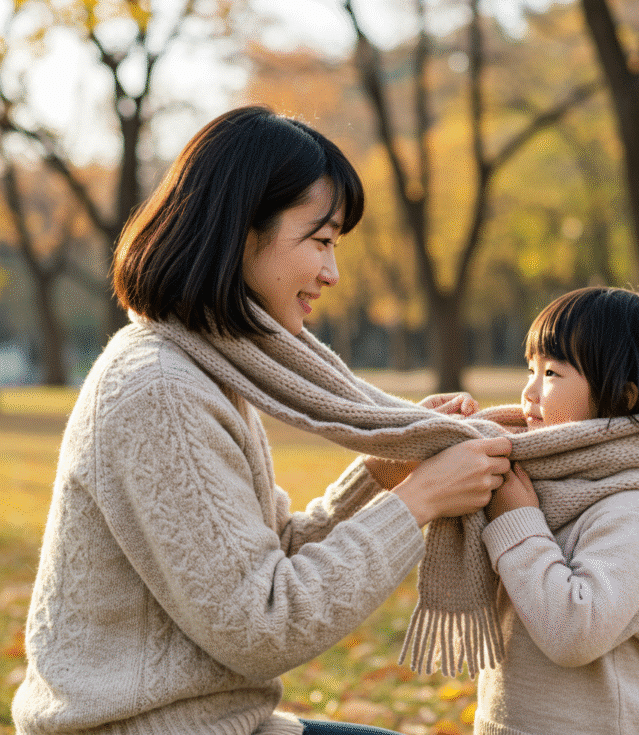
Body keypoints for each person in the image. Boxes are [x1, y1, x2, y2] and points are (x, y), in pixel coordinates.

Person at [12, 105, 514, 735]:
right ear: (242, 233)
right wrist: (419, 501)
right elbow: (263, 625)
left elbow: (269, 560)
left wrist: (378, 477)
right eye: (321, 241)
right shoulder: (161, 389)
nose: (332, 272)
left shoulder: (208, 367)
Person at [468, 286, 639, 735]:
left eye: (552, 373)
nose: (529, 390)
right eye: (530, 368)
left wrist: (517, 522)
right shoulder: (533, 480)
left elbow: (575, 632)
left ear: (625, 397)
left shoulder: (628, 509)